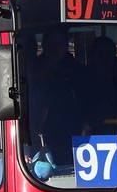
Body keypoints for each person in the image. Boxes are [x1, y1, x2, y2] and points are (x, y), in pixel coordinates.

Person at [27, 26, 87, 164]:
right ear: (44, 45)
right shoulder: (30, 72)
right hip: (38, 138)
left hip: (74, 138)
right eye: (52, 42)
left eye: (60, 43)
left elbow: (89, 102)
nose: (56, 47)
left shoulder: (79, 73)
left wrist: (87, 124)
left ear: (66, 46)